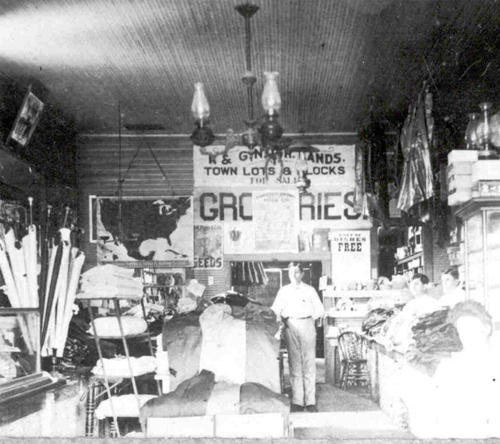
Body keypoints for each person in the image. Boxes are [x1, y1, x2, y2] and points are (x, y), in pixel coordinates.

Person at [427, 301, 500, 438]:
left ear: (487, 329)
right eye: (462, 331)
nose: (467, 336)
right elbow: (437, 416)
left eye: (472, 329)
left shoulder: (495, 365)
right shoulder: (447, 368)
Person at [271, 263, 324, 413]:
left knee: (309, 363)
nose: (293, 276)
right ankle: (297, 401)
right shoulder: (284, 291)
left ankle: (311, 401)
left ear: (302, 274)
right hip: (290, 325)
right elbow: (275, 310)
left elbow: (320, 310)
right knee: (294, 364)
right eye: (291, 273)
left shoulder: (310, 290)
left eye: (296, 273)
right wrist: (281, 321)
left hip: (307, 323)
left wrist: (309, 319)